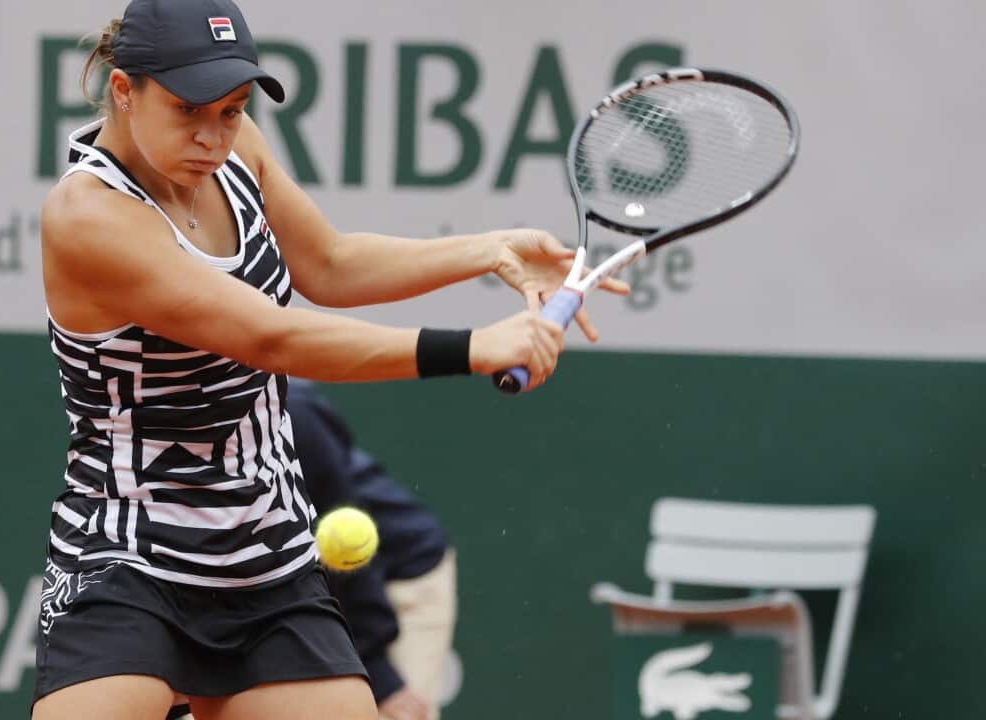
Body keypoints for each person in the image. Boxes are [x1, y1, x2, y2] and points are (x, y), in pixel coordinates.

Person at [32, 1, 627, 718]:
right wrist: (471, 347)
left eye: (231, 109)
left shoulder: (235, 147)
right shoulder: (86, 217)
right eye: (189, 109)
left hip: (266, 550)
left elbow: (330, 263)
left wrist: (490, 248)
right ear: (125, 90)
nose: (213, 134)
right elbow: (270, 338)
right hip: (127, 556)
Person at [168, 379, 459, 720]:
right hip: (278, 590)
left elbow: (351, 560)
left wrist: (382, 678)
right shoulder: (139, 419)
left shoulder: (295, 413)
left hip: (396, 579)